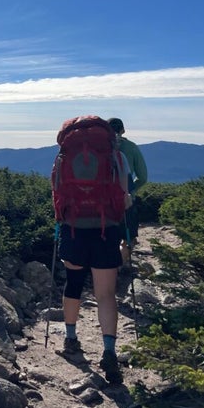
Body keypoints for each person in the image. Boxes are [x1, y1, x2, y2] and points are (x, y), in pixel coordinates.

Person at [52, 116, 132, 384]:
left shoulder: (62, 158)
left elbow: (56, 190)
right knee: (106, 294)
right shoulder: (117, 157)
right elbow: (124, 196)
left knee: (73, 284)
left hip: (73, 227)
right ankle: (109, 350)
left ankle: (71, 339)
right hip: (106, 229)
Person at [107, 117, 148, 259]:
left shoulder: (97, 148)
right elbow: (143, 177)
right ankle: (121, 264)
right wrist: (131, 190)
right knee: (127, 236)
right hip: (126, 199)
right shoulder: (131, 147)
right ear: (123, 130)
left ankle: (106, 266)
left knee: (107, 235)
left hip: (103, 200)